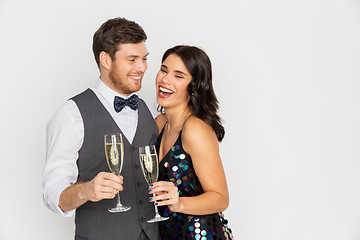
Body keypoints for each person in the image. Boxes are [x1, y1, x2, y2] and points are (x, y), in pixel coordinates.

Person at [42, 17, 160, 240]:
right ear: (106, 60)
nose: (142, 67)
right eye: (132, 59)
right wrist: (86, 190)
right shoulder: (71, 114)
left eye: (144, 59)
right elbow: (52, 193)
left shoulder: (150, 111)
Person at [150, 45, 233, 239]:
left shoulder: (195, 129)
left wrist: (180, 203)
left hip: (201, 235)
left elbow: (221, 198)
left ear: (194, 86)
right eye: (164, 70)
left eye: (179, 76)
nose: (165, 79)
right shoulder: (160, 123)